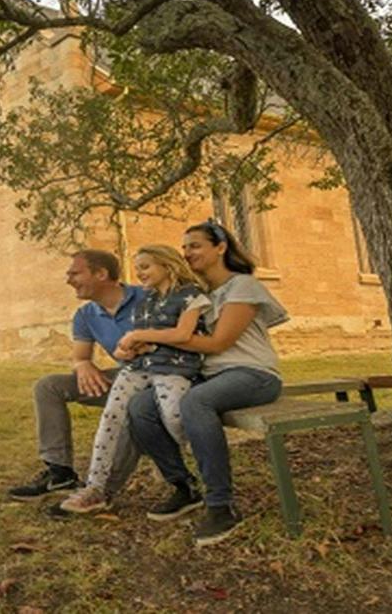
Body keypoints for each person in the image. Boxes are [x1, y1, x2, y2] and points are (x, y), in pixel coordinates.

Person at [123, 219, 288, 547]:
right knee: (140, 407)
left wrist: (151, 338)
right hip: (205, 375)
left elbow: (218, 343)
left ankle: (220, 505)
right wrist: (149, 342)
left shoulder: (242, 286)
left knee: (195, 403)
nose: (187, 253)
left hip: (252, 374)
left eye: (195, 245)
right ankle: (183, 488)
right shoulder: (193, 293)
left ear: (220, 247)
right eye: (184, 248)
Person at [58, 245, 210, 514]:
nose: (139, 274)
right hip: (137, 367)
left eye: (145, 267)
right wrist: (124, 349)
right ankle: (94, 486)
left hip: (173, 370)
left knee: (173, 416)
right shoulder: (147, 301)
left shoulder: (186, 296)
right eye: (137, 268)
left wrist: (142, 338)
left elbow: (181, 334)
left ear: (167, 266)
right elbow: (129, 342)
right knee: (110, 418)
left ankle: (182, 466)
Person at [7, 249, 144, 501]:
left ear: (101, 274)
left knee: (130, 406)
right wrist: (83, 365)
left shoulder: (147, 298)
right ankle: (60, 473)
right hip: (123, 377)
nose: (68, 280)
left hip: (156, 379)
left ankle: (101, 490)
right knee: (48, 386)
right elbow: (80, 356)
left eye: (75, 273)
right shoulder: (85, 315)